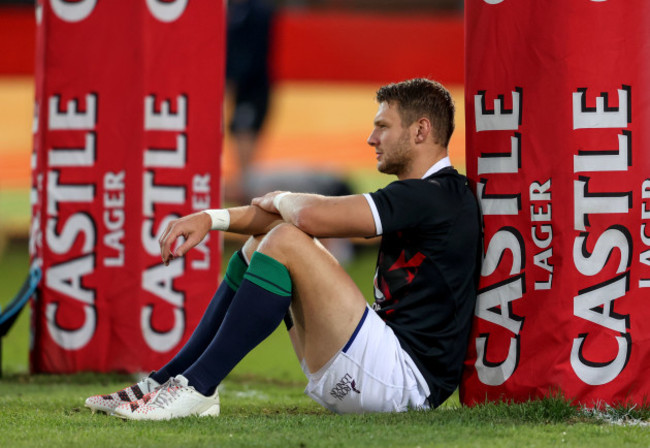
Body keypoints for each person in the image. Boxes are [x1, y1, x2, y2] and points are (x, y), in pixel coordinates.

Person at [84, 78, 481, 419]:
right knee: (264, 244)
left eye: (382, 126)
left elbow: (306, 219)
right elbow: (294, 217)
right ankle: (167, 381)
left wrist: (285, 197)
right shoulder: (425, 196)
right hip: (375, 371)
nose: (371, 138)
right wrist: (211, 218)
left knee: (287, 240)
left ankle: (199, 388)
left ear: (421, 130)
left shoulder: (438, 195)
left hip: (404, 384)